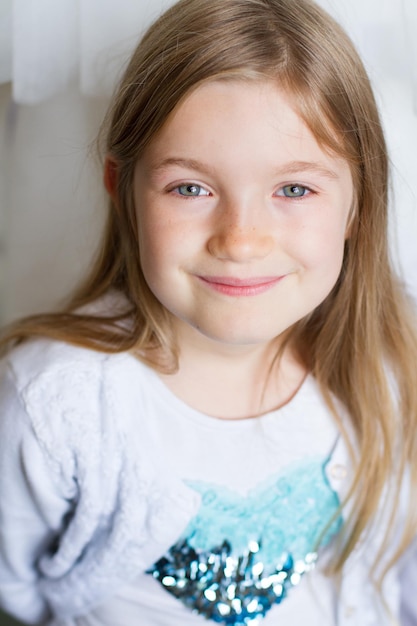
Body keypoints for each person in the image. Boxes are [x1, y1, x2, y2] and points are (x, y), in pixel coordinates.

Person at [1, 0, 417, 624]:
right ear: (123, 190)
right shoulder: (52, 404)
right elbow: (16, 591)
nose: (241, 239)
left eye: (294, 189)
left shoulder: (395, 366)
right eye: (190, 188)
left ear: (358, 203)